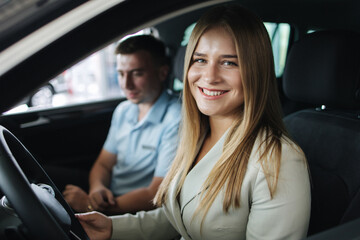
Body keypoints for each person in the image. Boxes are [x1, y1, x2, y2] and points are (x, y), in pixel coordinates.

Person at [76, 4, 311, 239]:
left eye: (229, 62)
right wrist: (113, 227)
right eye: (200, 60)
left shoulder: (278, 160)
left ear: (256, 72)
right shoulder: (196, 136)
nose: (209, 77)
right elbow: (180, 215)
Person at [63, 35, 182, 215]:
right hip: (110, 198)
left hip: (133, 211)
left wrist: (90, 207)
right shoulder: (124, 110)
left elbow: (156, 193)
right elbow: (104, 163)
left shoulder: (176, 117)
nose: (126, 85)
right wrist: (96, 189)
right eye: (121, 73)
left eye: (137, 73)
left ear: (162, 73)